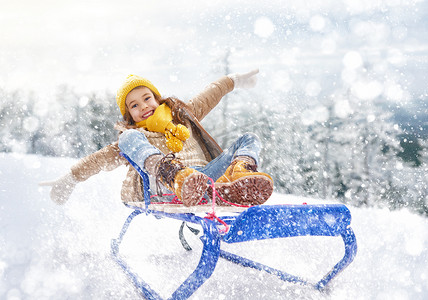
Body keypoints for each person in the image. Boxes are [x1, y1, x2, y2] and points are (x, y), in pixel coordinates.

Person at [41, 69, 273, 207]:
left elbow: (209, 94)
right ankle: (177, 176)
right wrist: (70, 179)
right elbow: (99, 159)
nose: (143, 106)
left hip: (204, 178)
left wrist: (233, 80)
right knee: (127, 138)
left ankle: (235, 182)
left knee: (248, 139)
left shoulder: (182, 115)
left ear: (157, 98)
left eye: (146, 98)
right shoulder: (135, 136)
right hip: (162, 186)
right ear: (129, 114)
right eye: (134, 105)